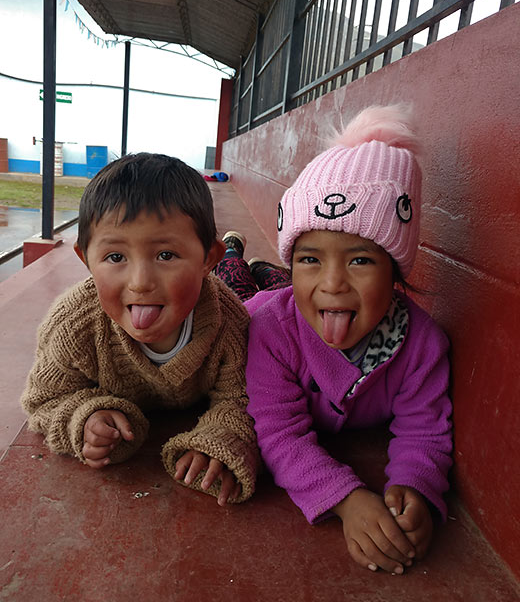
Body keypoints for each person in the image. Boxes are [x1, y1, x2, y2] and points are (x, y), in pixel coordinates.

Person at [215, 105, 453, 573]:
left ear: (396, 270)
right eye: (310, 258)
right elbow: (279, 434)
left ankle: (269, 269)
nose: (333, 283)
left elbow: (425, 431)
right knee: (234, 282)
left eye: (360, 261)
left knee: (272, 280)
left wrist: (417, 485)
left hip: (285, 289)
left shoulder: (422, 344)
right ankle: (234, 251)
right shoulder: (267, 330)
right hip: (259, 301)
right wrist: (346, 498)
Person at [22, 153, 260, 506]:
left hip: (232, 288)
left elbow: (241, 398)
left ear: (207, 257)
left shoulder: (231, 323)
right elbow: (44, 399)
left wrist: (221, 439)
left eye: (166, 255)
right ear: (86, 258)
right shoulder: (74, 326)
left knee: (248, 289)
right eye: (115, 257)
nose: (140, 283)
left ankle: (241, 260)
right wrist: (84, 416)